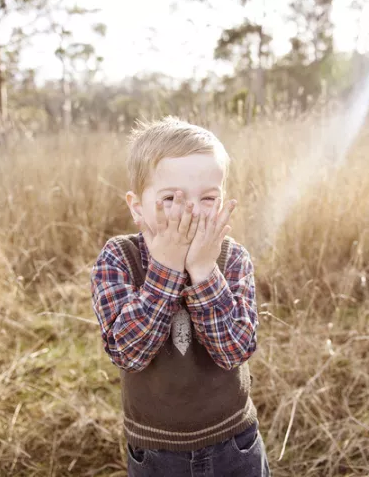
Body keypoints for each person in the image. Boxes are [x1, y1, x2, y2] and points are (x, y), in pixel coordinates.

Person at [90, 116, 270, 476]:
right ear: (137, 206)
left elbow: (235, 349)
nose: (190, 211)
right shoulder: (118, 258)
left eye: (207, 198)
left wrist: (204, 271)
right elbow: (129, 353)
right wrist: (166, 269)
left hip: (234, 442)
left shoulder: (232, 258)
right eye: (171, 197)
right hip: (157, 452)